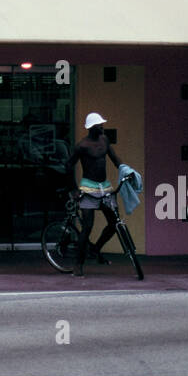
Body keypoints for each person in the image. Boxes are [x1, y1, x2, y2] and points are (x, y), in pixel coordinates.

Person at [66, 111, 123, 277]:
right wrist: (74, 189)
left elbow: (114, 158)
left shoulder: (104, 140)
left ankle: (95, 249)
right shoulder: (82, 146)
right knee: (87, 227)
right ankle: (78, 264)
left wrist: (126, 170)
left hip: (104, 187)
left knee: (114, 223)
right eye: (99, 125)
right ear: (92, 128)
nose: (102, 127)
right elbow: (68, 166)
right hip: (88, 187)